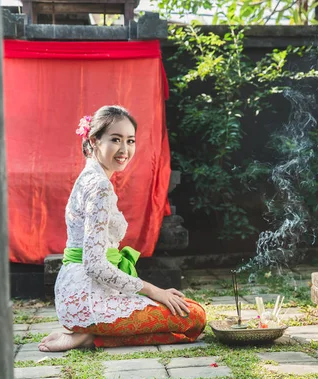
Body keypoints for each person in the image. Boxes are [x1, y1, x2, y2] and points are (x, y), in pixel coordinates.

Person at [39, 105, 206, 352]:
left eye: (130, 141)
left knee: (182, 304)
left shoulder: (89, 176)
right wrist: (154, 291)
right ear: (94, 141)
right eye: (115, 139)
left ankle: (85, 333)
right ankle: (88, 336)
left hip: (73, 296)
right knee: (194, 316)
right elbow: (94, 265)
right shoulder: (100, 187)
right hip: (89, 299)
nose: (124, 150)